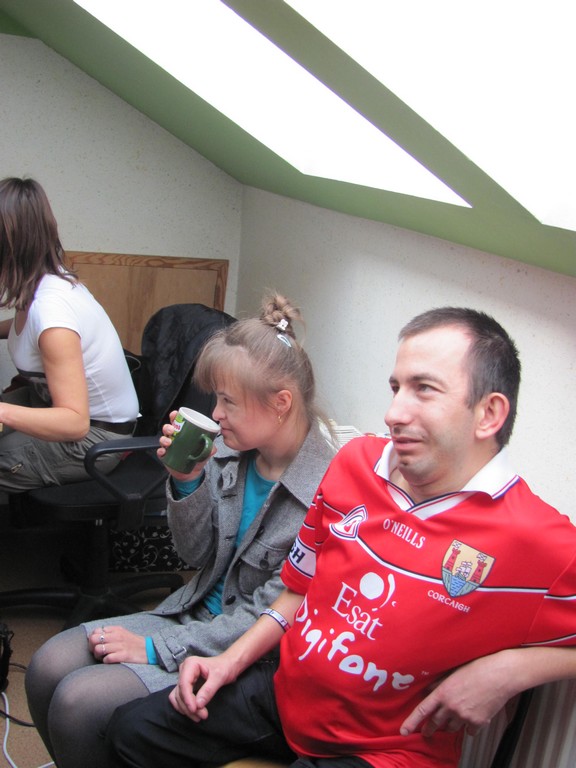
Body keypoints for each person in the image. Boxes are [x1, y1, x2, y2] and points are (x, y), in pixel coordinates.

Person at [105, 307, 576, 768]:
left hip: (383, 750)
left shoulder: (534, 537)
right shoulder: (356, 462)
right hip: (284, 695)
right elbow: (298, 588)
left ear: (488, 414)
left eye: (424, 389)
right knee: (130, 732)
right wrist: (229, 660)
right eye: (396, 388)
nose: (393, 413)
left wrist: (508, 671)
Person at [25, 291, 336, 768]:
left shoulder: (327, 493)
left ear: (280, 403)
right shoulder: (230, 452)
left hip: (243, 650)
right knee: (46, 666)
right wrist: (186, 480)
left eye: (228, 402)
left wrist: (156, 648)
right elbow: (193, 555)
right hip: (190, 613)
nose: (216, 415)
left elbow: (267, 615)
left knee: (78, 702)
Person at [0, 176, 139, 490]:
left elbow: (75, 422)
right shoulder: (45, 283)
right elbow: (30, 330)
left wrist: (3, 411)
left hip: (97, 439)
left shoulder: (52, 310)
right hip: (51, 407)